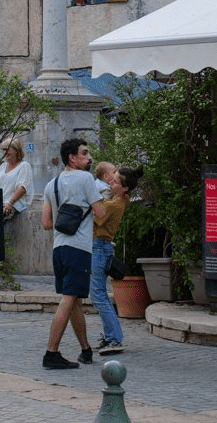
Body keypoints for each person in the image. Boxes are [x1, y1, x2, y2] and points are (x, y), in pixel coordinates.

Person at [40, 138, 106, 369]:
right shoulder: (86, 178)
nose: (89, 158)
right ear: (72, 158)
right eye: (85, 153)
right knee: (69, 299)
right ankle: (51, 353)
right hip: (79, 248)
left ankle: (85, 350)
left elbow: (46, 223)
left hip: (59, 248)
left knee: (74, 299)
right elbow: (100, 212)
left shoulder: (51, 184)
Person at [92, 165, 143, 357]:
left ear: (125, 188)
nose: (110, 182)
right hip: (100, 247)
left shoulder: (114, 204)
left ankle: (114, 338)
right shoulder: (115, 200)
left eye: (115, 181)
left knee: (98, 295)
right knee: (99, 294)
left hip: (98, 247)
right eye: (112, 179)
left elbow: (95, 215)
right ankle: (111, 336)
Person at [0, 138, 33, 220]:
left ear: (16, 150)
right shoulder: (3, 166)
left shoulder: (24, 166)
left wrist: (10, 203)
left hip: (13, 204)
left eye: (7, 150)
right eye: (3, 150)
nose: (5, 153)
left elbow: (22, 188)